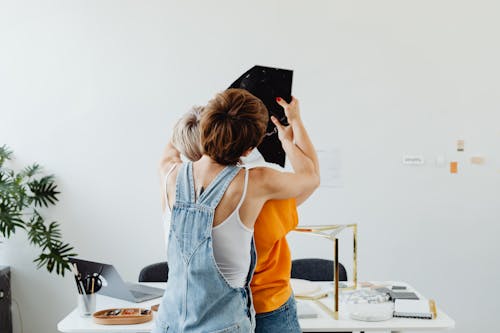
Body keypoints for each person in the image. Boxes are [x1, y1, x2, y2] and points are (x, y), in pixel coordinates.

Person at [155, 88, 319, 333]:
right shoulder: (255, 184)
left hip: (169, 325)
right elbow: (311, 177)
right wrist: (290, 129)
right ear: (249, 150)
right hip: (229, 323)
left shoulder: (169, 173)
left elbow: (172, 146)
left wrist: (209, 115)